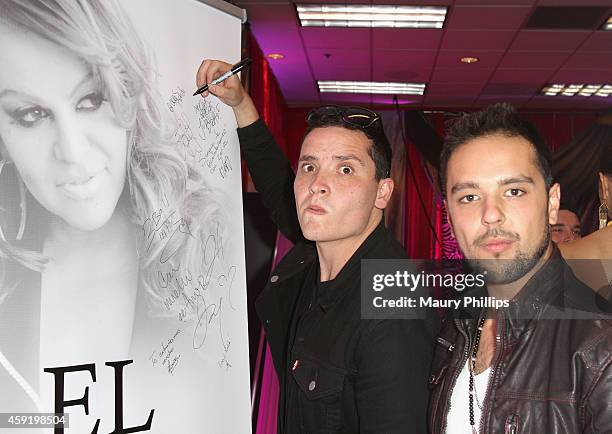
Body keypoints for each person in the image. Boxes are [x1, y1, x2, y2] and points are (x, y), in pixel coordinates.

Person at [0, 0, 222, 416]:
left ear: (127, 95)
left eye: (89, 99)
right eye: (31, 114)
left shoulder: (212, 246)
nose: (73, 151)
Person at [196, 59, 435, 433]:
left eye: (345, 169)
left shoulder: (392, 312)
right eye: (309, 167)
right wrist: (241, 104)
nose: (316, 184)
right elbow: (278, 185)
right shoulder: (317, 252)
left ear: (382, 192)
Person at [427, 103, 611, 433]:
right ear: (450, 216)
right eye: (469, 197)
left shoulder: (600, 351)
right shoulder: (456, 325)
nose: (491, 214)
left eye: (513, 191)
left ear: (552, 203)